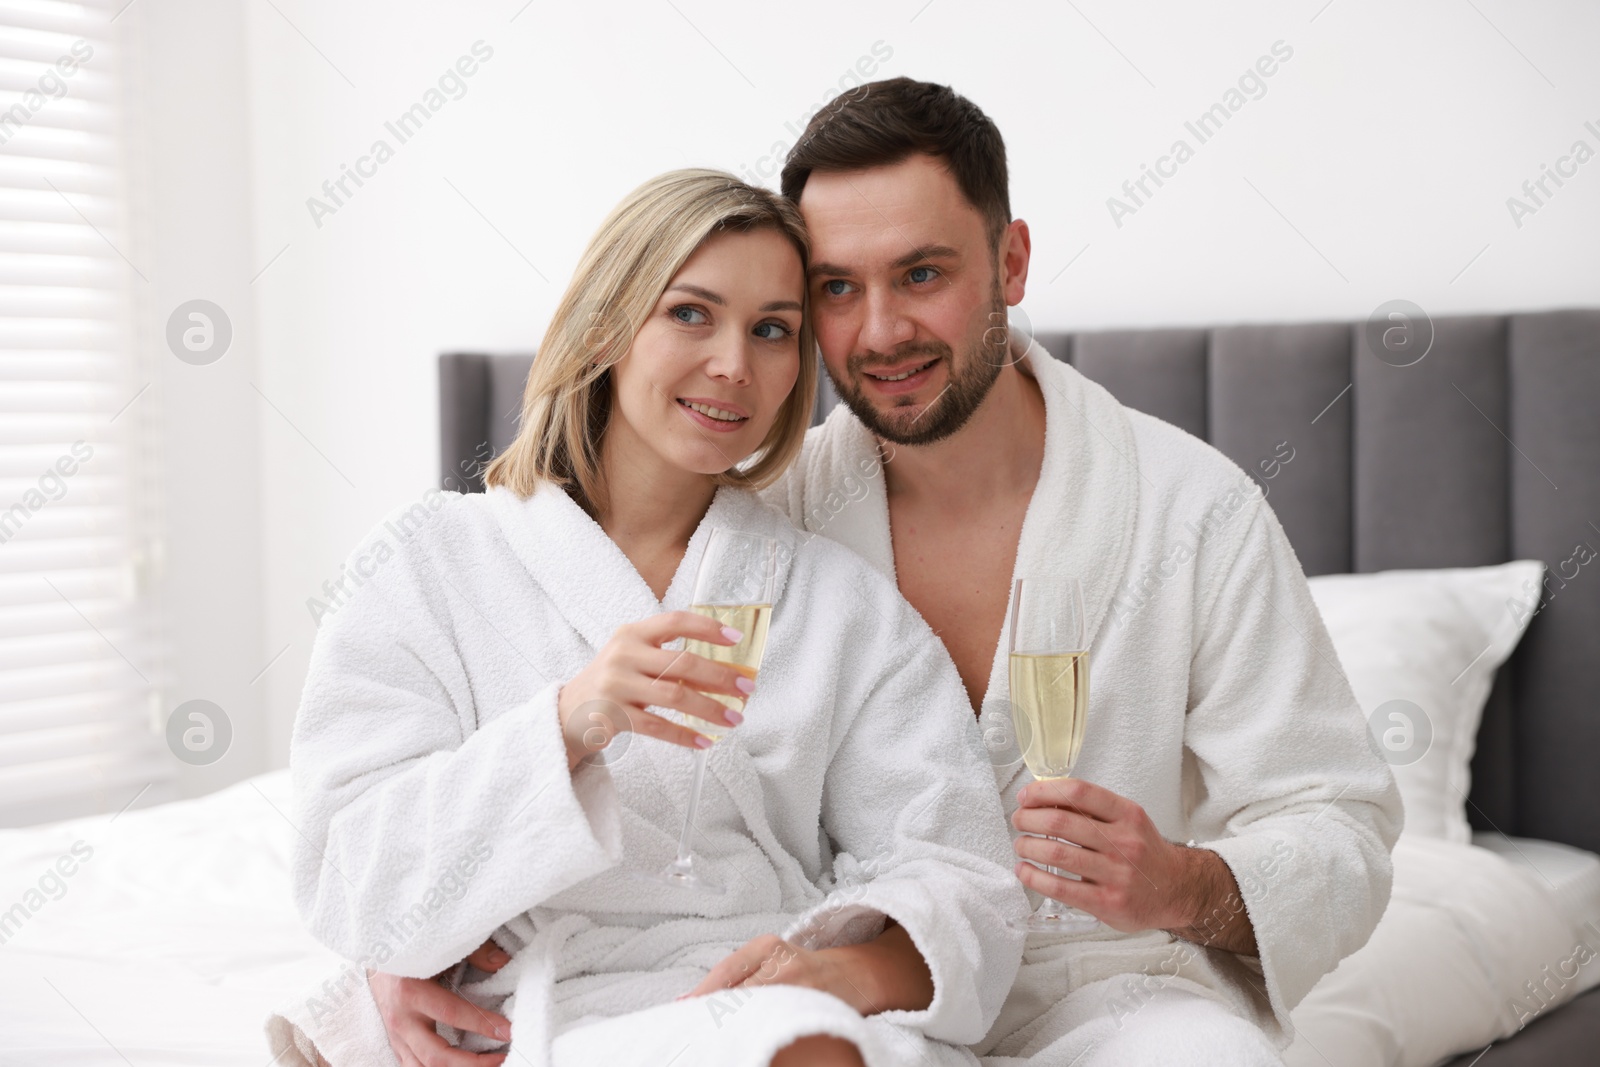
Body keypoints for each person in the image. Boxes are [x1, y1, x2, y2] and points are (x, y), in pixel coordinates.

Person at [374, 79, 1407, 1065]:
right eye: (834, 290)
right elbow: (511, 741)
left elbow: (1338, 825)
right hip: (841, 999)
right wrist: (392, 941)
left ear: (1009, 263)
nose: (879, 332)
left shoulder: (1193, 508)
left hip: (1108, 989)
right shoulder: (754, 525)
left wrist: (1184, 884)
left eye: (922, 273)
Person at [265, 169, 1027, 1067]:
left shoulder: (840, 602)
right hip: (541, 1016)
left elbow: (964, 875)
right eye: (691, 313)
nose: (734, 364)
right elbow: (347, 879)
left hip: (769, 1006)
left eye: (773, 330)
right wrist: (569, 723)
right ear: (603, 326)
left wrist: (836, 973)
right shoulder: (427, 564)